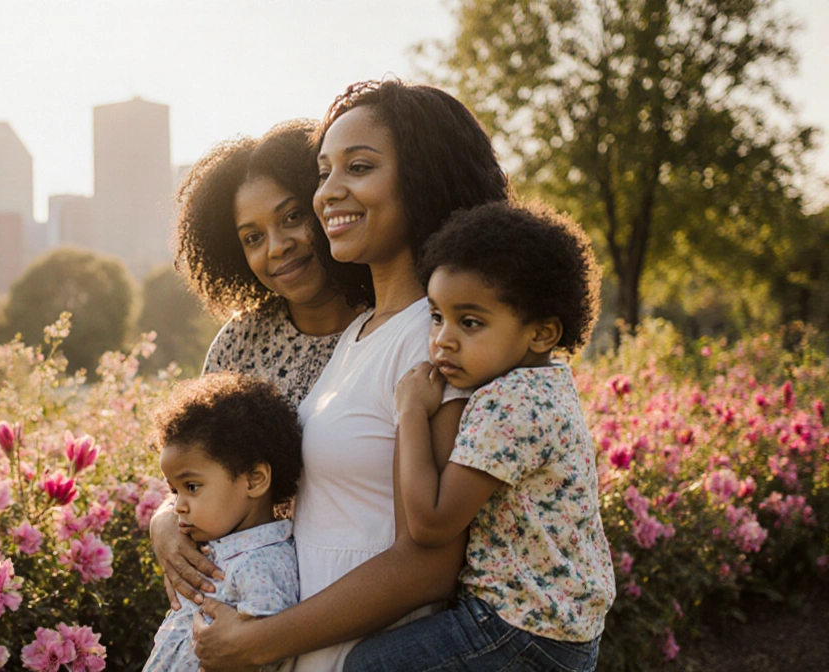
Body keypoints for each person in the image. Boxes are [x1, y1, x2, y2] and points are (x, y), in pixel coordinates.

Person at [192, 79, 510, 670]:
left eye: (357, 168)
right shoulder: (362, 334)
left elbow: (429, 564)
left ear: (423, 176)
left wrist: (259, 641)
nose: (328, 194)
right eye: (323, 172)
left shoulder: (435, 340)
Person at [344, 201, 614, 671]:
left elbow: (430, 523)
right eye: (436, 316)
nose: (443, 339)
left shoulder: (508, 404)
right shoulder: (549, 385)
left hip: (520, 629)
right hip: (560, 629)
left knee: (369, 665)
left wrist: (408, 411)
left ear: (542, 332)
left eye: (469, 323)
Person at [154, 120, 370, 614]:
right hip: (246, 598)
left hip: (350, 595)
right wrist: (163, 520)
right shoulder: (238, 343)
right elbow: (196, 465)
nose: (276, 247)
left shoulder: (386, 328)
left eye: (292, 216)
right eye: (252, 237)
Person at [143, 373, 304, 672]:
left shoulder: (261, 564)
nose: (177, 506)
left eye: (191, 487)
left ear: (255, 480)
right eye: (173, 490)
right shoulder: (217, 550)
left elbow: (257, 654)